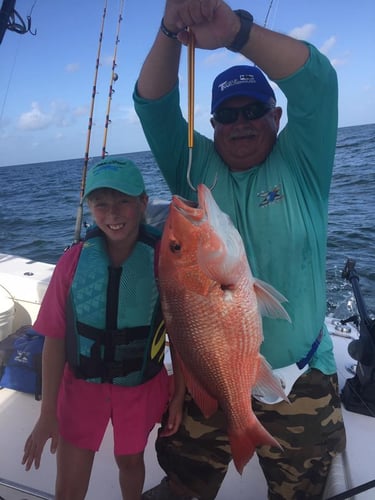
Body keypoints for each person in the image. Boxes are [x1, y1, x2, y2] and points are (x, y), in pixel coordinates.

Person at [133, 1, 346, 499]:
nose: (241, 123)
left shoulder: (302, 161)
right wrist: (169, 31)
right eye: (227, 116)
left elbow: (318, 83)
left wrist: (235, 32)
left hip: (302, 381)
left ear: (275, 115)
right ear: (212, 124)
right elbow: (152, 103)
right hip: (210, 372)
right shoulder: (194, 166)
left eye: (253, 111)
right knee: (180, 486)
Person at [21, 157, 184, 500]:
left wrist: (179, 395)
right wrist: (47, 413)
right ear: (90, 208)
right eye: (101, 204)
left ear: (142, 203)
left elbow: (183, 337)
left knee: (130, 460)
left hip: (140, 386)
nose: (113, 214)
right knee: (68, 486)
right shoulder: (73, 262)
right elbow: (54, 338)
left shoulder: (163, 261)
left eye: (123, 201)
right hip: (81, 388)